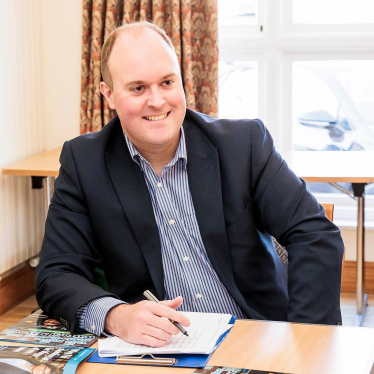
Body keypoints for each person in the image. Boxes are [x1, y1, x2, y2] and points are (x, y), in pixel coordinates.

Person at [35, 21, 344, 348]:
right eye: (138, 88)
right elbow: (56, 274)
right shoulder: (84, 163)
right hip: (164, 351)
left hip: (257, 336)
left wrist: (308, 345)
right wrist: (117, 315)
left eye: (167, 82)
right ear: (108, 94)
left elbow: (315, 234)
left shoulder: (243, 145)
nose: (157, 101)